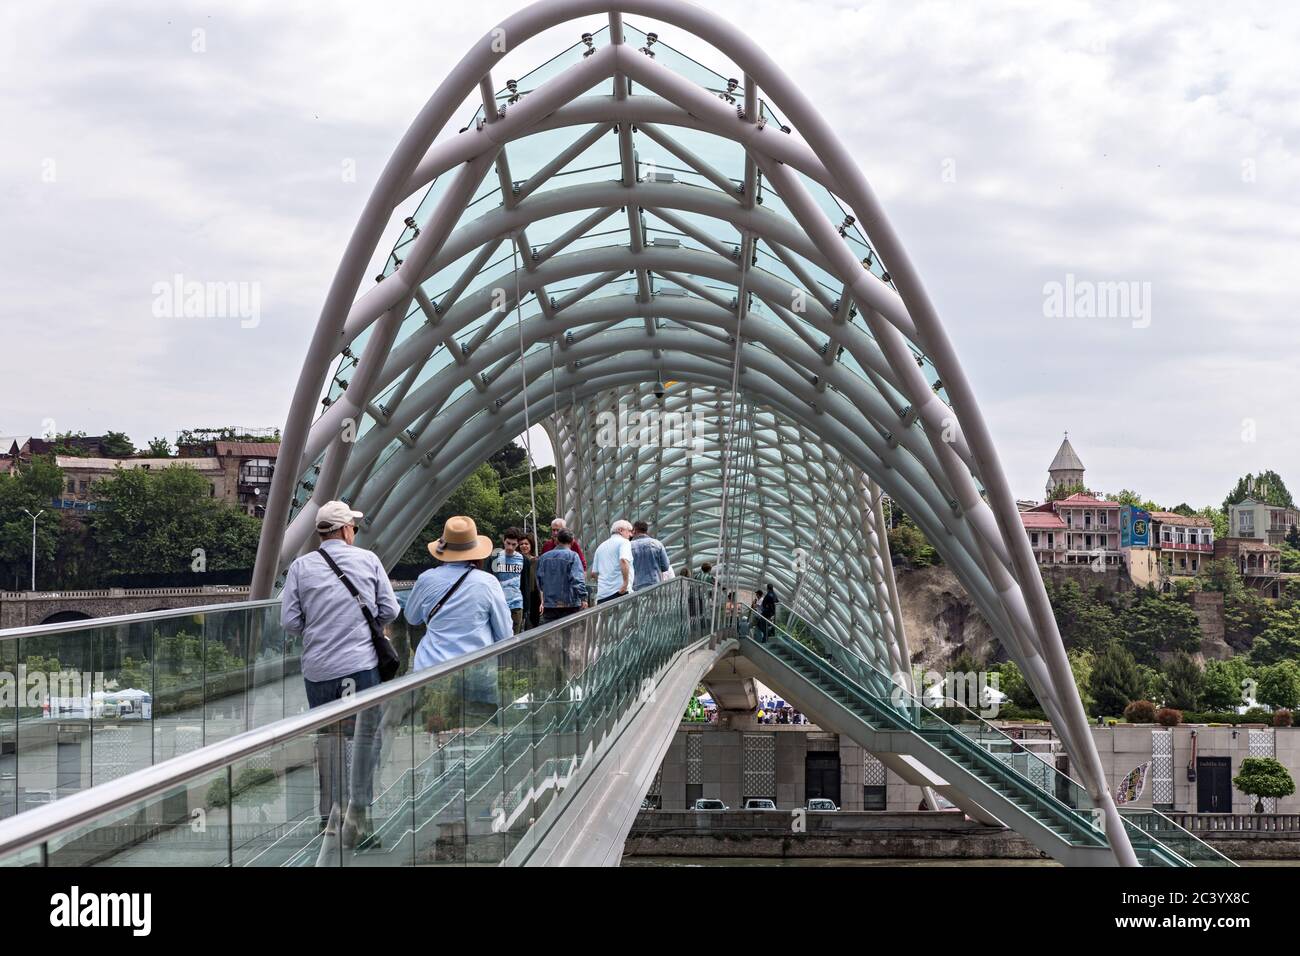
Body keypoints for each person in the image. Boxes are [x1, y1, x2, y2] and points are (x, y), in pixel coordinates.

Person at [281, 500, 398, 847]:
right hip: (360, 668)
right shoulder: (368, 560)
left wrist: (317, 622)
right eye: (354, 527)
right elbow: (390, 609)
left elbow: (289, 622)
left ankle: (327, 818)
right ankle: (358, 822)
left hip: (319, 672)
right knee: (362, 743)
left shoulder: (301, 567)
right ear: (346, 529)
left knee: (329, 742)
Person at [405, 516, 512, 671]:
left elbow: (411, 618)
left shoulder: (426, 579)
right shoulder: (487, 582)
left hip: (431, 668)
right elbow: (505, 634)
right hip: (477, 668)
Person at [537, 529, 588, 622]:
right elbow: (577, 579)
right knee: (570, 634)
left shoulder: (544, 557)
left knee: (552, 634)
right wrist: (583, 597)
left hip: (550, 605)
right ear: (572, 541)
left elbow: (540, 582)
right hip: (570, 604)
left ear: (557, 540)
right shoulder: (573, 556)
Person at [490, 528, 526, 634]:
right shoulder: (495, 557)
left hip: (516, 603)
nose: (510, 547)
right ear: (504, 541)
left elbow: (525, 583)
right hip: (499, 603)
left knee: (515, 636)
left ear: (518, 544)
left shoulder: (522, 559)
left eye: (513, 544)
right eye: (508, 543)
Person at [590, 519, 634, 604]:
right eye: (629, 531)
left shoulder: (600, 547)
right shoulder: (624, 542)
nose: (630, 534)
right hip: (620, 592)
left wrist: (606, 584)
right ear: (620, 530)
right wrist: (625, 584)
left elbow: (594, 573)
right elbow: (623, 560)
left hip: (602, 596)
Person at [629, 520, 671, 591]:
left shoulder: (629, 546)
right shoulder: (657, 544)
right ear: (646, 530)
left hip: (636, 587)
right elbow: (665, 566)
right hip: (655, 585)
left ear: (635, 530)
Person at [518, 534, 541, 628]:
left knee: (534, 621)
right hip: (521, 593)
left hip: (534, 594)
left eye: (526, 544)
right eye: (521, 544)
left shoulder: (536, 561)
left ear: (531, 545)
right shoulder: (516, 560)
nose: (524, 546)